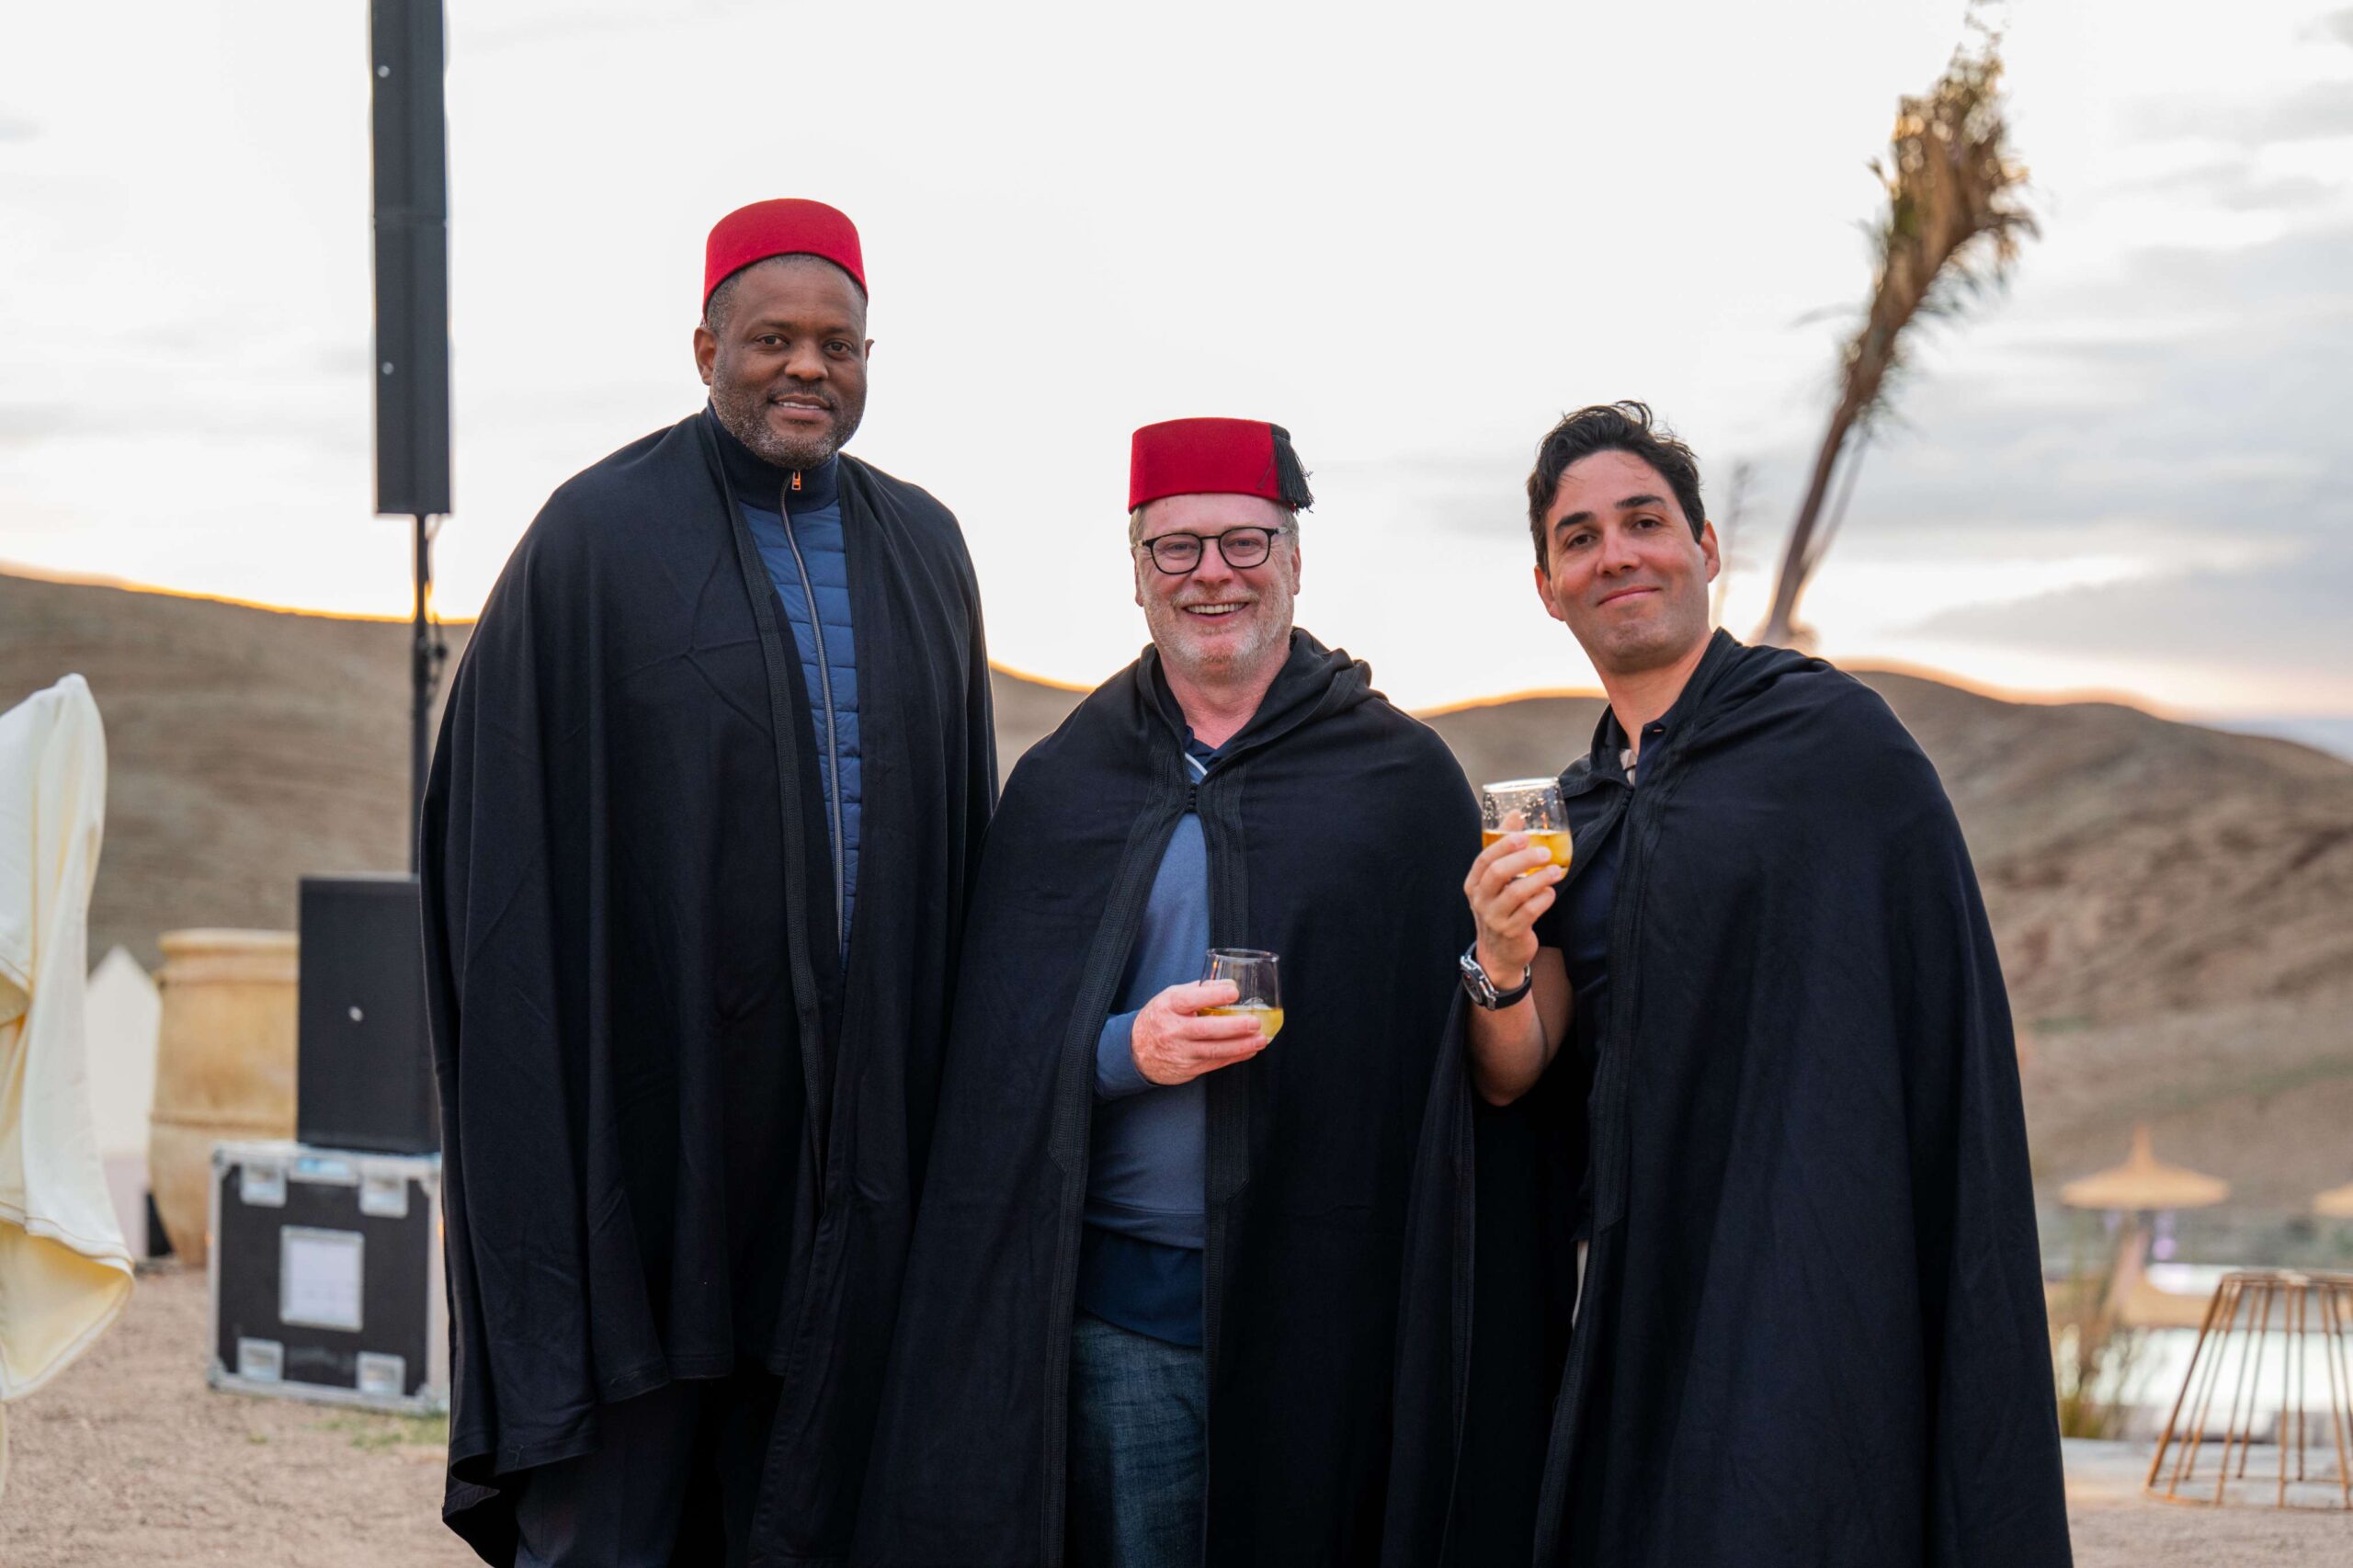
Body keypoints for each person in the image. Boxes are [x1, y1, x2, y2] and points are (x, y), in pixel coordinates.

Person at [1386, 403, 2071, 1566]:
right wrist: (1496, 961)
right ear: (1548, 587)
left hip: (1816, 1264)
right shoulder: (1575, 814)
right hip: (1641, 1288)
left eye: (1643, 521)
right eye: (1580, 537)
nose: (1616, 553)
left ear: (1704, 548)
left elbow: (1921, 1023)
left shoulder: (1834, 745)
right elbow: (1514, 1077)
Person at [419, 199, 996, 1567]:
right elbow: (494, 836)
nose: (807, 367)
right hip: (652, 1130)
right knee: (623, 1515)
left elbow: (965, 841)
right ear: (705, 348)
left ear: (868, 361)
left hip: (858, 1138)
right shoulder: (596, 537)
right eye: (772, 338)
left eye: (837, 344)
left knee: (813, 1501)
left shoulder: (925, 548)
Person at [854, 418, 1476, 1567]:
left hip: (1328, 1321)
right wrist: (1123, 1051)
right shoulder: (1065, 781)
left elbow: (1452, 1069)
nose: (1211, 574)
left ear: (1294, 559)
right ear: (1135, 573)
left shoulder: (1400, 782)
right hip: (1125, 1328)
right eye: (1175, 547)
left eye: (1244, 541)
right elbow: (992, 1051)